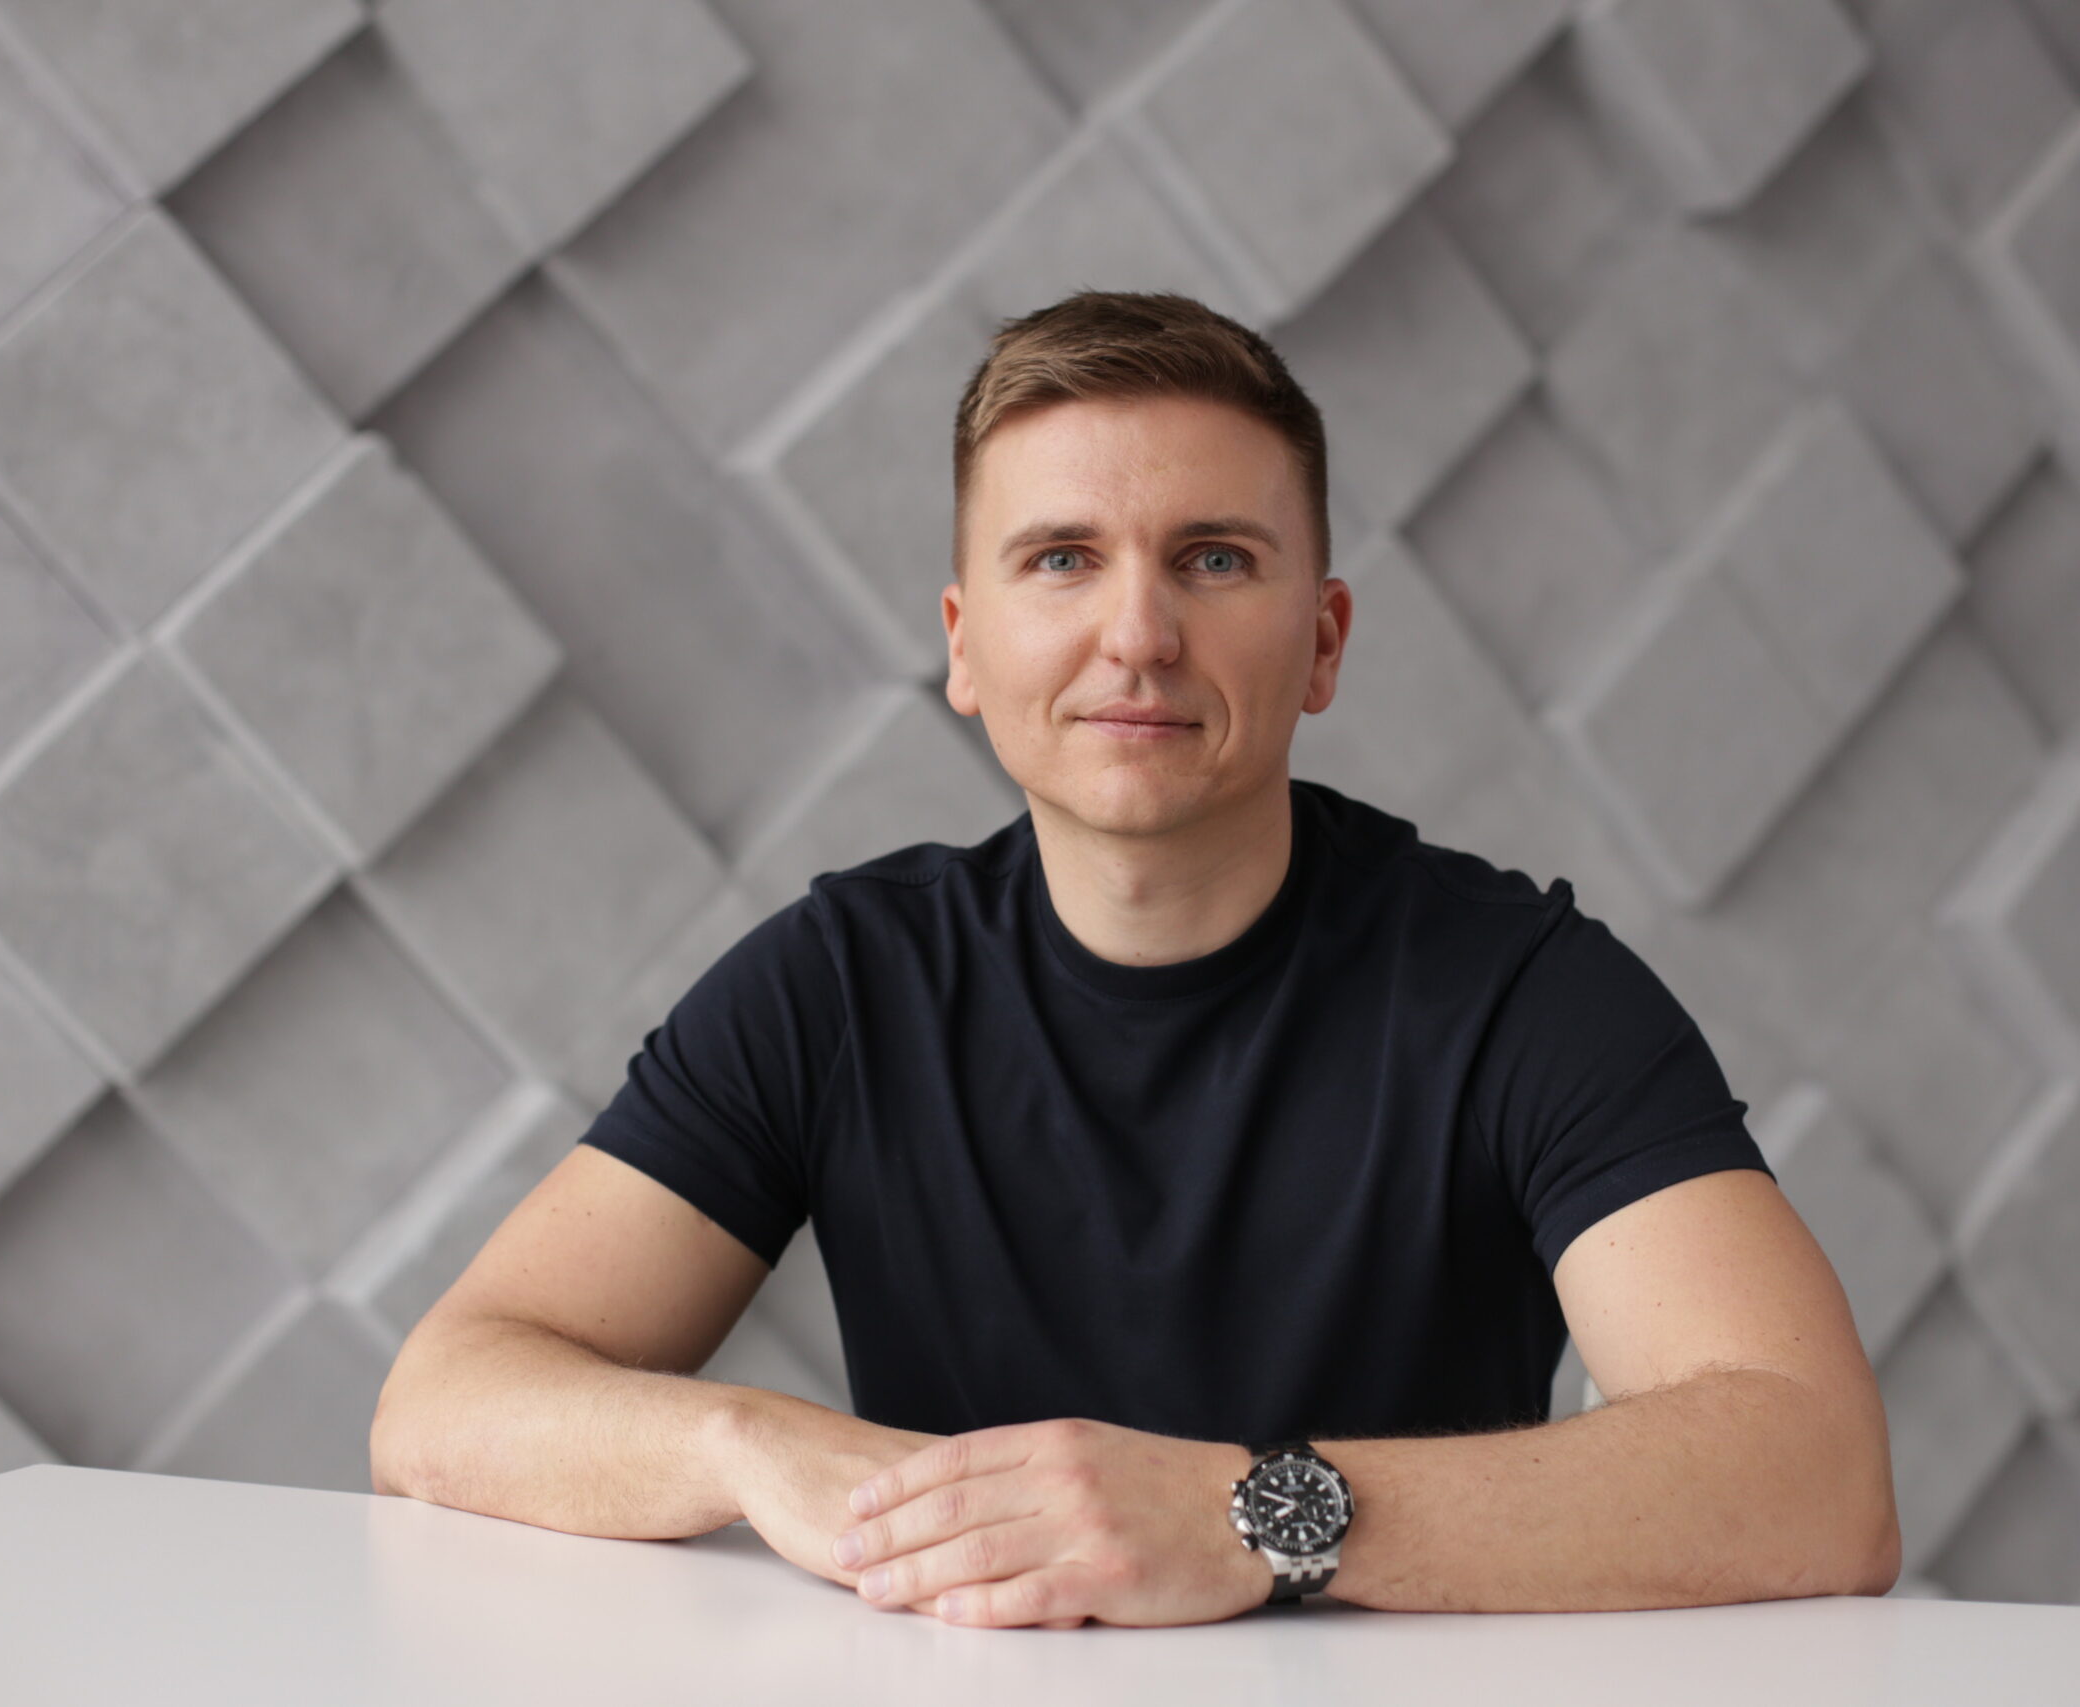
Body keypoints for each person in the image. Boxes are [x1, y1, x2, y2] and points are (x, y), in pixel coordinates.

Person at [368, 291, 1900, 1631]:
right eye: (1062, 559)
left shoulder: (1523, 992)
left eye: (1215, 558)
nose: (1139, 635)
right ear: (965, 645)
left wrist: (1247, 1517)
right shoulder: (838, 982)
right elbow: (445, 1399)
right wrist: (748, 1447)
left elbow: (1816, 1475)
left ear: (1324, 640)